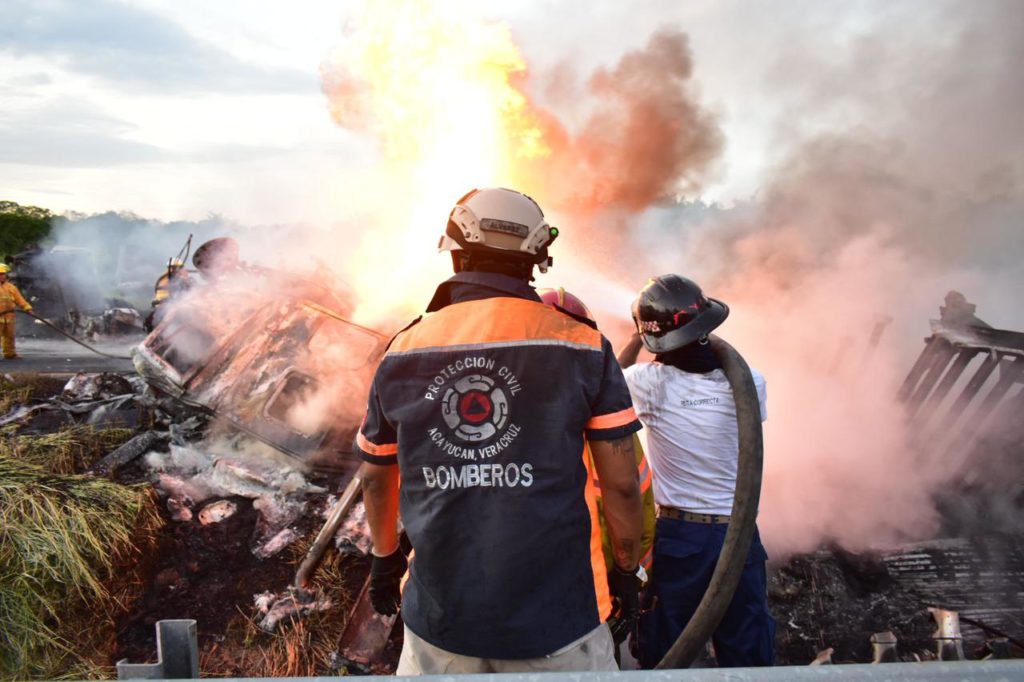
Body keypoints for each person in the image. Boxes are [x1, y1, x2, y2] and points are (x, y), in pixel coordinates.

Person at [356, 187, 645, 674]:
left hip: (440, 624)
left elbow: (374, 477)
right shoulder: (584, 346)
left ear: (456, 253)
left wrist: (385, 559)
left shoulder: (402, 350)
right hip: (560, 623)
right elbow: (620, 485)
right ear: (536, 259)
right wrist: (626, 570)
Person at [617, 274, 775, 668]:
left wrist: (636, 339)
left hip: (682, 537)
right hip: (739, 534)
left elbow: (606, 390)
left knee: (665, 649)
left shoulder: (648, 384)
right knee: (748, 650)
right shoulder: (751, 382)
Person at [537, 286, 657, 575]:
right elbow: (630, 494)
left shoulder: (510, 415)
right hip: (604, 575)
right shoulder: (608, 420)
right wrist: (632, 573)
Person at [0, 263, 33, 360]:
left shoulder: (11, 288)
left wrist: (28, 308)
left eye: (3, 274)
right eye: (0, 274)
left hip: (9, 317)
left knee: (10, 336)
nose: (2, 276)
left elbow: (20, 300)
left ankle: (10, 354)